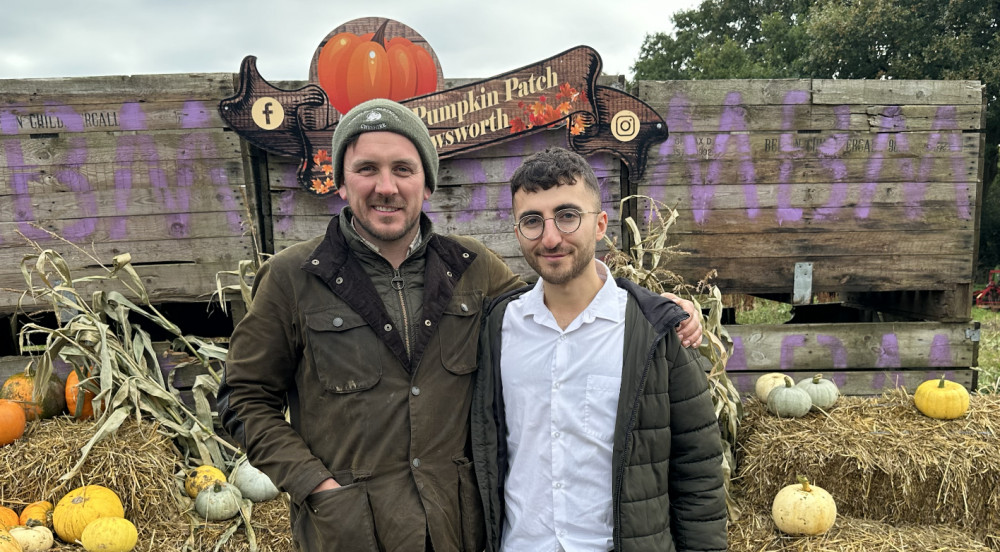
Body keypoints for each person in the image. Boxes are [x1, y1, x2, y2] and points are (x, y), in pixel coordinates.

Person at [217, 99, 703, 552]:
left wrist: (648, 305)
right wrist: (313, 484)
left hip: (457, 531)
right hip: (349, 531)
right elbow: (243, 397)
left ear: (426, 185)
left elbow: (559, 292)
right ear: (340, 182)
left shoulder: (474, 268)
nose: (386, 186)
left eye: (403, 169)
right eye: (367, 168)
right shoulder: (294, 278)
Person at [471, 147, 727, 552]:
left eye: (568, 215)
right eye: (532, 221)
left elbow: (697, 469)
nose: (551, 237)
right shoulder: (496, 328)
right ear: (517, 231)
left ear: (600, 225)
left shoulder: (654, 331)